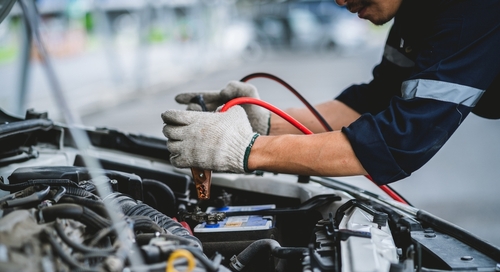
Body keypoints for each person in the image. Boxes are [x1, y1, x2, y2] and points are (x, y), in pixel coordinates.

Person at [162, 0, 500, 186]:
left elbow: (400, 140)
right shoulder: (416, 14)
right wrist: (262, 123)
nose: (340, 1)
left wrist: (243, 149)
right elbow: (372, 101)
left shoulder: (469, 10)